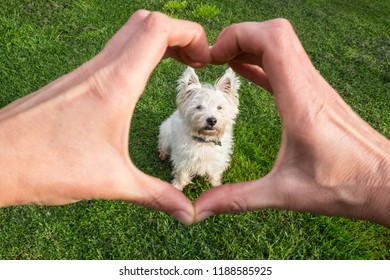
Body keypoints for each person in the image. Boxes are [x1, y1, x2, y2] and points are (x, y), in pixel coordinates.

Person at [0, 10, 388, 227]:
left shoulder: (224, 112)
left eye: (218, 108)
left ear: (231, 105)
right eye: (199, 107)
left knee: (213, 166)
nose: (209, 115)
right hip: (181, 144)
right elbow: (189, 119)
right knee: (180, 158)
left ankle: (210, 175)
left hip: (212, 151)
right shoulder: (180, 124)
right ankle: (179, 175)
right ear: (185, 102)